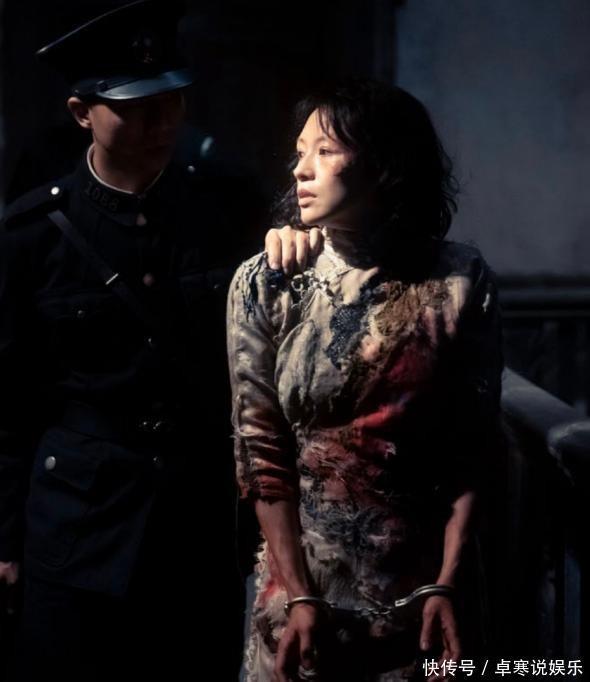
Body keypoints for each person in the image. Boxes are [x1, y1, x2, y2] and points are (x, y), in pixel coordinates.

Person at [0, 1, 317, 679]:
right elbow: (9, 400)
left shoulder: (227, 211)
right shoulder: (32, 235)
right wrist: (4, 540)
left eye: (172, 102)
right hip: (76, 526)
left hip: (194, 522)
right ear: (82, 112)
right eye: (137, 109)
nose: (162, 123)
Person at [227, 79, 504, 681]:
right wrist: (299, 594)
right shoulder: (269, 281)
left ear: (383, 163)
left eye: (325, 151)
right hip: (303, 593)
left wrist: (448, 581)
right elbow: (259, 450)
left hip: (426, 592)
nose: (301, 169)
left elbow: (474, 446)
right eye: (299, 152)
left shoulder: (458, 280)